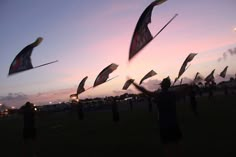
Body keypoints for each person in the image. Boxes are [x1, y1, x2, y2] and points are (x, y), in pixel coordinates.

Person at [131, 77, 182, 157]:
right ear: (168, 85)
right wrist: (194, 81)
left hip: (163, 124)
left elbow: (144, 90)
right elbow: (184, 90)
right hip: (173, 122)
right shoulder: (172, 94)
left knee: (166, 144)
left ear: (162, 86)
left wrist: (133, 83)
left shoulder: (158, 95)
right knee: (176, 143)